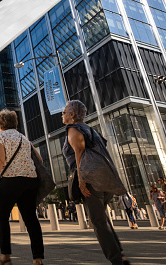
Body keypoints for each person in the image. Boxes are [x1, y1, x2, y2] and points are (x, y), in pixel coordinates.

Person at [62, 100, 129, 264]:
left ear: (72, 115)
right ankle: (120, 255)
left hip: (92, 179)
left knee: (98, 221)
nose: (62, 115)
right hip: (106, 178)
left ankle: (117, 260)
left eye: (64, 112)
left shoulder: (73, 128)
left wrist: (82, 179)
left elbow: (79, 151)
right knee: (102, 218)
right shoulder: (92, 130)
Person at [0, 109, 44, 265]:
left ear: (1, 124)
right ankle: (37, 259)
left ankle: (5, 258)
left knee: (2, 217)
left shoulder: (0, 136)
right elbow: (40, 159)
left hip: (10, 181)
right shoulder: (24, 138)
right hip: (30, 181)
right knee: (31, 219)